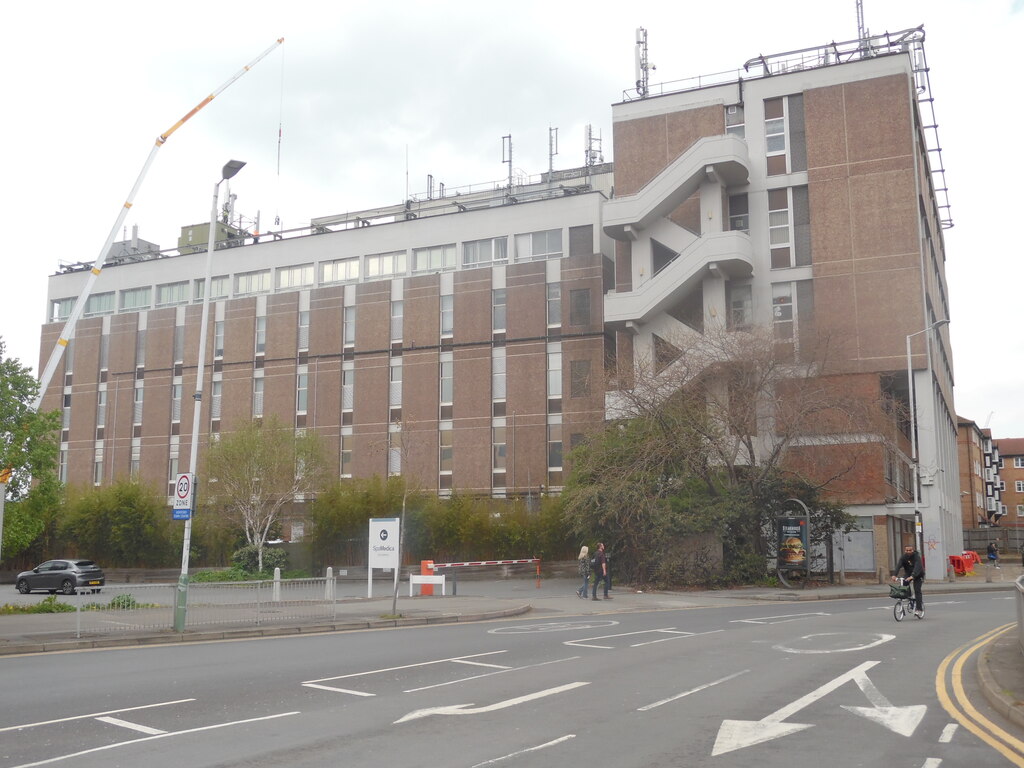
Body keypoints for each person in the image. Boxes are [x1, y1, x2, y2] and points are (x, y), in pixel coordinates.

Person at [892, 544, 925, 617]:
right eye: (907, 550)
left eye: (910, 550)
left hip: (918, 574)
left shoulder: (916, 557)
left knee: (917, 590)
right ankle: (909, 595)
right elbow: (898, 565)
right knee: (904, 582)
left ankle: (919, 609)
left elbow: (917, 567)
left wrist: (912, 576)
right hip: (908, 573)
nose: (908, 551)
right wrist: (894, 575)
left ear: (913, 550)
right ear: (905, 550)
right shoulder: (904, 557)